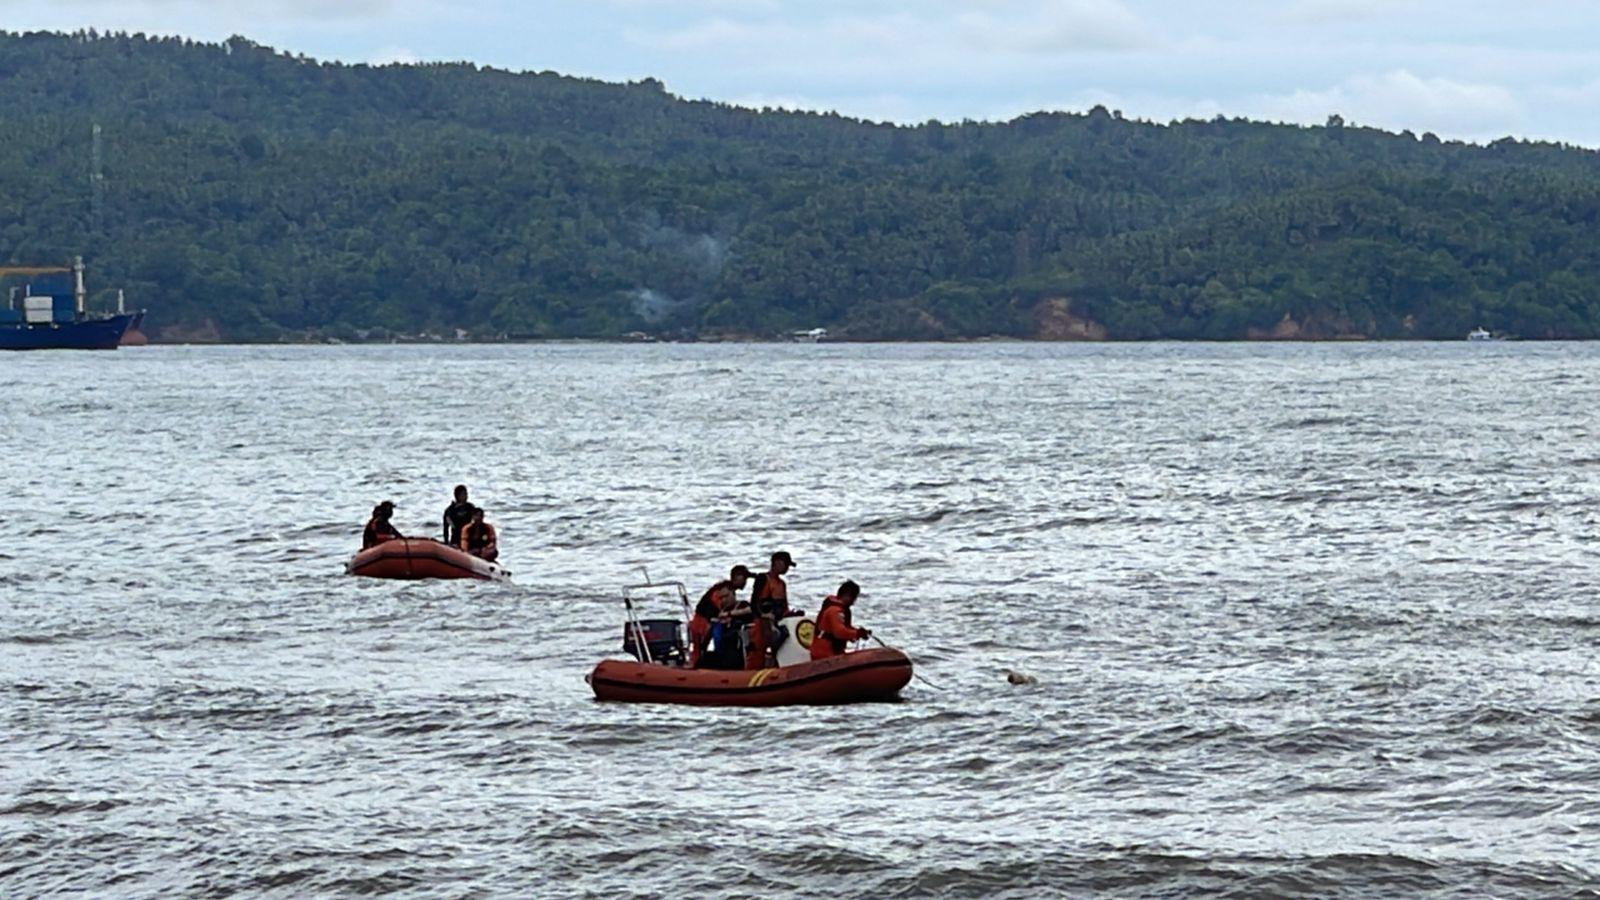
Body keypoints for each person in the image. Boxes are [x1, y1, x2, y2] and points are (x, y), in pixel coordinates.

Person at [691, 565, 751, 667]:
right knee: (700, 649)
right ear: (736, 577)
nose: (746, 582)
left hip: (710, 620)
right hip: (703, 621)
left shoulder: (728, 592)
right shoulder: (721, 590)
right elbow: (718, 612)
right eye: (744, 578)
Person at [745, 551, 794, 670]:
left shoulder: (782, 584)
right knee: (758, 652)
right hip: (762, 623)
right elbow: (754, 602)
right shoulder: (763, 579)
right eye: (785, 564)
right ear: (776, 563)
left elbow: (784, 606)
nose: (787, 568)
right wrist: (763, 615)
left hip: (777, 621)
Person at [811, 580, 871, 660]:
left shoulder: (836, 609)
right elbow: (839, 632)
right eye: (853, 598)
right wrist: (857, 633)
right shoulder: (835, 611)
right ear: (847, 595)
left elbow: (844, 629)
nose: (853, 603)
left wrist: (859, 632)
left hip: (831, 651)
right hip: (825, 653)